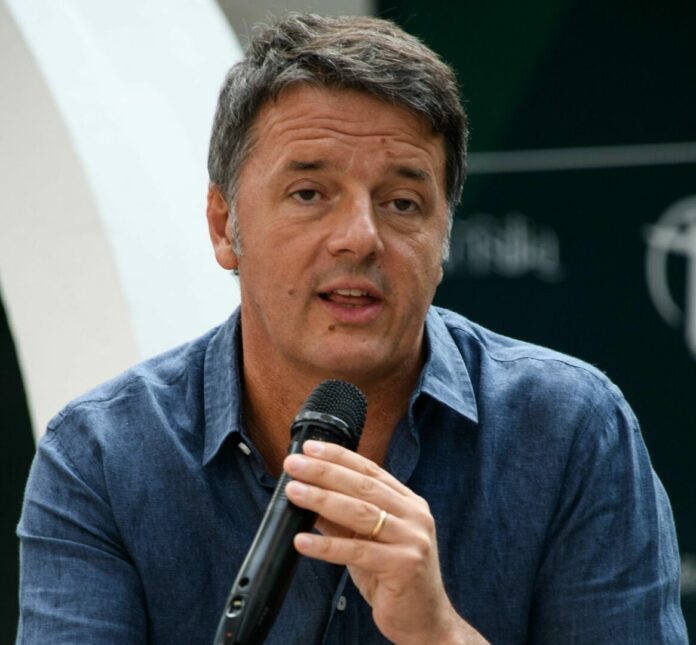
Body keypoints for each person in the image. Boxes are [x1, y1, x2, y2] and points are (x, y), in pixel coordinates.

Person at [16, 13, 687, 644]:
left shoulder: (569, 430)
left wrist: (439, 632)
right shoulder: (102, 455)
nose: (361, 237)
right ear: (224, 226)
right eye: (310, 193)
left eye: (402, 202)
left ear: (443, 239)